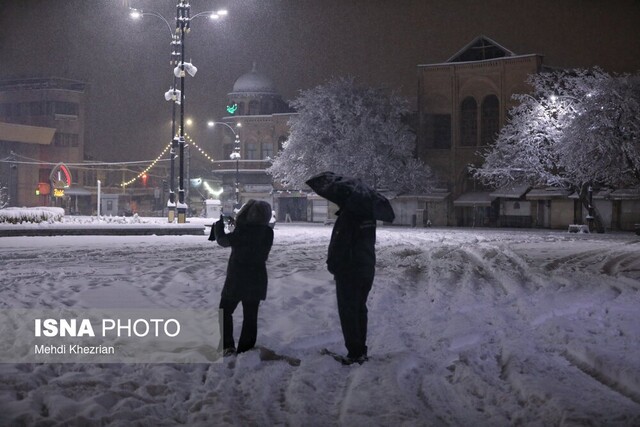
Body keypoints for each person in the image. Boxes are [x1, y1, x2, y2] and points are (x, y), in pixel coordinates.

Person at [212, 199, 274, 356]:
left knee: (224, 311)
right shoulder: (268, 232)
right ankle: (246, 347)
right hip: (258, 278)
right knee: (250, 315)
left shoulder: (243, 231)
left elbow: (223, 241)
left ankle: (228, 345)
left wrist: (219, 227)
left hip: (238, 279)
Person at [327, 208, 377, 365]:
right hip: (366, 267)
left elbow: (339, 244)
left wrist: (333, 265)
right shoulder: (369, 216)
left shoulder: (348, 217)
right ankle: (361, 349)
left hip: (349, 270)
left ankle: (355, 352)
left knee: (349, 311)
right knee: (360, 309)